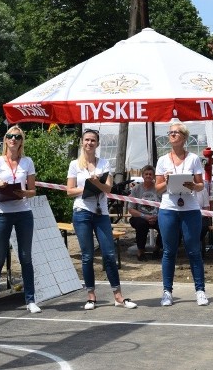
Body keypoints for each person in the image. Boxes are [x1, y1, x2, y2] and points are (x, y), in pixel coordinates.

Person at [67, 129, 138, 310]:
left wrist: (96, 183)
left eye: (93, 140)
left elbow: (108, 189)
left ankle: (118, 296)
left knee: (109, 254)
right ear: (82, 142)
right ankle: (91, 296)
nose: (90, 143)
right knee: (87, 256)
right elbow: (69, 191)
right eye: (87, 140)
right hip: (82, 211)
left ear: (97, 144)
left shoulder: (104, 163)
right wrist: (88, 187)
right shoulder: (75, 164)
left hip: (101, 213)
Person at [0, 126, 41, 315]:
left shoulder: (28, 161)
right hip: (2, 213)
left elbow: (32, 192)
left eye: (17, 137)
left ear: (21, 141)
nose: (13, 139)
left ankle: (30, 300)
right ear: (5, 140)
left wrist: (23, 192)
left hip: (23, 212)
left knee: (26, 257)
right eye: (10, 136)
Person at [155, 122, 209, 306]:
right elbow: (158, 188)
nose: (172, 135)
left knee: (193, 250)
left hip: (190, 209)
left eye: (176, 133)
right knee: (169, 251)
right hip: (169, 208)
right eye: (170, 133)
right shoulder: (162, 160)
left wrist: (193, 186)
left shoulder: (193, 158)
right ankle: (167, 291)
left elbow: (201, 184)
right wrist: (167, 181)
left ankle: (200, 290)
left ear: (184, 137)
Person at [128, 165, 162, 261]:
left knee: (166, 224)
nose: (148, 176)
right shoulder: (136, 189)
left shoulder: (159, 189)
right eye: (146, 174)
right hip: (140, 216)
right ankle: (141, 251)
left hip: (157, 216)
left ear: (154, 176)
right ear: (142, 175)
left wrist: (156, 216)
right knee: (141, 224)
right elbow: (131, 209)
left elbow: (164, 206)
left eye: (150, 174)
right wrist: (145, 216)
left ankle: (157, 249)